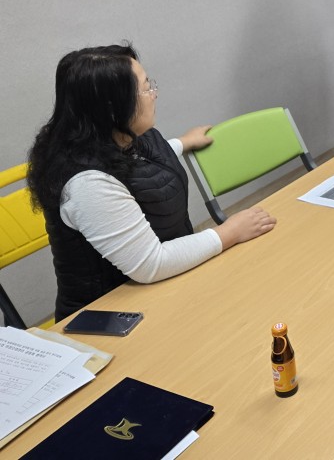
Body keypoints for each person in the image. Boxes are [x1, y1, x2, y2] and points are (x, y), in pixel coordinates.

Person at [27, 44, 276, 321]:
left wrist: (181, 143)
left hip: (162, 289)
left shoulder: (115, 135)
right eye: (145, 88)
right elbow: (151, 264)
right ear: (112, 108)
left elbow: (136, 163)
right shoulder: (87, 185)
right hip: (108, 317)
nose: (154, 94)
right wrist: (229, 232)